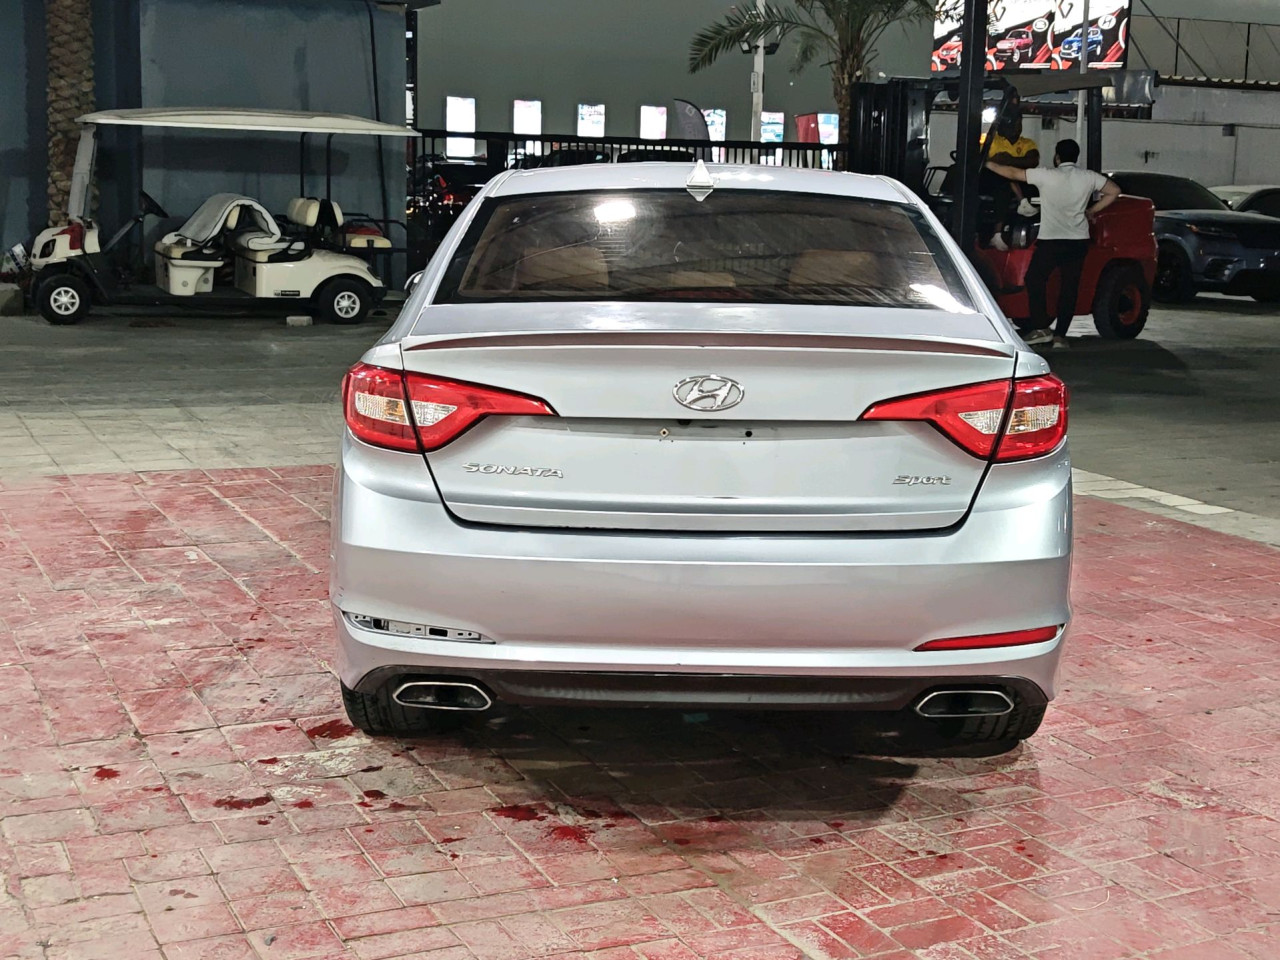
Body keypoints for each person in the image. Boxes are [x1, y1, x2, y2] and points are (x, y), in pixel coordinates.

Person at [986, 138, 1122, 349]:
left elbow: (1013, 173)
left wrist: (986, 163)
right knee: (1069, 287)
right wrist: (1091, 211)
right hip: (1078, 241)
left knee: (1034, 279)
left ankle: (1041, 328)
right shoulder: (1088, 177)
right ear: (1076, 157)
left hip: (1051, 240)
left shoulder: (1046, 175)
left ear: (1057, 157)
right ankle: (1060, 336)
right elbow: (1114, 191)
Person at [980, 112, 1039, 250]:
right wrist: (1017, 162)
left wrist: (1007, 160)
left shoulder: (1027, 143)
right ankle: (997, 232)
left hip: (1020, 181)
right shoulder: (992, 141)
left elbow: (1032, 161)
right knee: (1002, 181)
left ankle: (1024, 231)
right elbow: (985, 161)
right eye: (1013, 124)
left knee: (1034, 185)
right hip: (991, 181)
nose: (1017, 127)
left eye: (1019, 124)